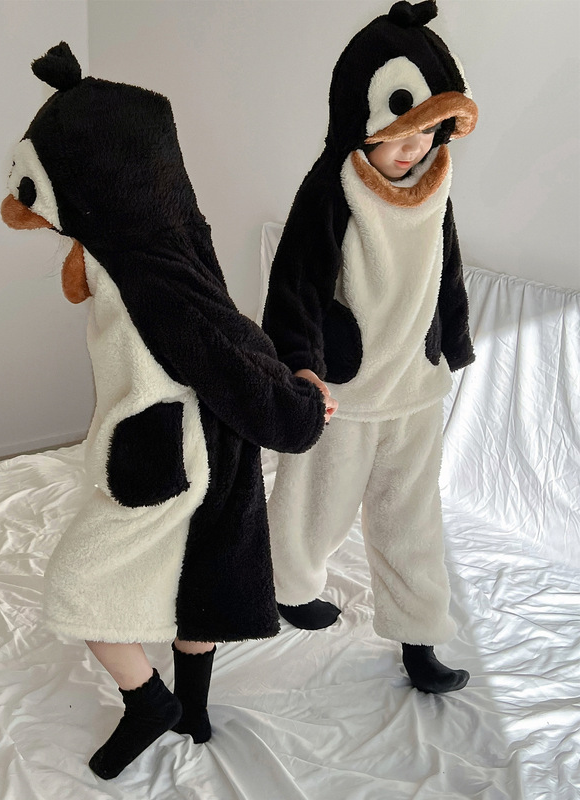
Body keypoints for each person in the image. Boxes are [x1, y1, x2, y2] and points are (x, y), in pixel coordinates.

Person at [1, 42, 334, 780]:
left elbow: (221, 349)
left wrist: (297, 407)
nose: (17, 210)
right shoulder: (157, 241)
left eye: (32, 189)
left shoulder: (149, 273)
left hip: (171, 449)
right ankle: (193, 711)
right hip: (189, 441)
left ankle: (150, 702)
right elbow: (230, 326)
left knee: (76, 586)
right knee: (201, 577)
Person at [263, 0, 479, 693]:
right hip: (344, 390)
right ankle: (290, 586)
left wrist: (454, 342)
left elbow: (446, 271)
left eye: (427, 131)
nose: (413, 148)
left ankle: (419, 637)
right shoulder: (333, 189)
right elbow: (295, 283)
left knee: (412, 520)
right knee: (314, 505)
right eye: (398, 133)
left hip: (414, 387)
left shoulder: (437, 187)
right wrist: (301, 365)